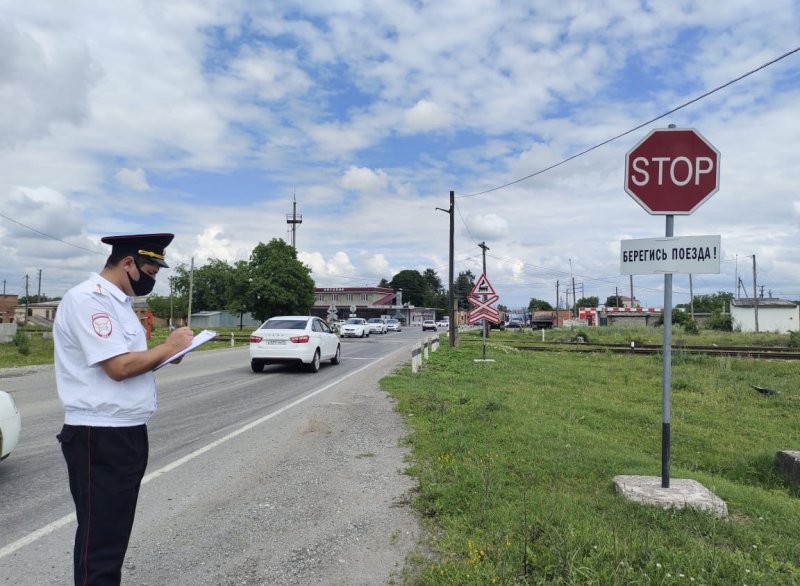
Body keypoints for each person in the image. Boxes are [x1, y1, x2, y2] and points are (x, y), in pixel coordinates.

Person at [54, 233, 194, 586]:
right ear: (128, 263)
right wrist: (168, 346)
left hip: (125, 431)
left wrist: (165, 355)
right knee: (99, 541)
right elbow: (118, 368)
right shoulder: (89, 300)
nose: (153, 279)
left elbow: (131, 362)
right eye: (150, 269)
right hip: (99, 435)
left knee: (112, 535)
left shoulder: (120, 304)